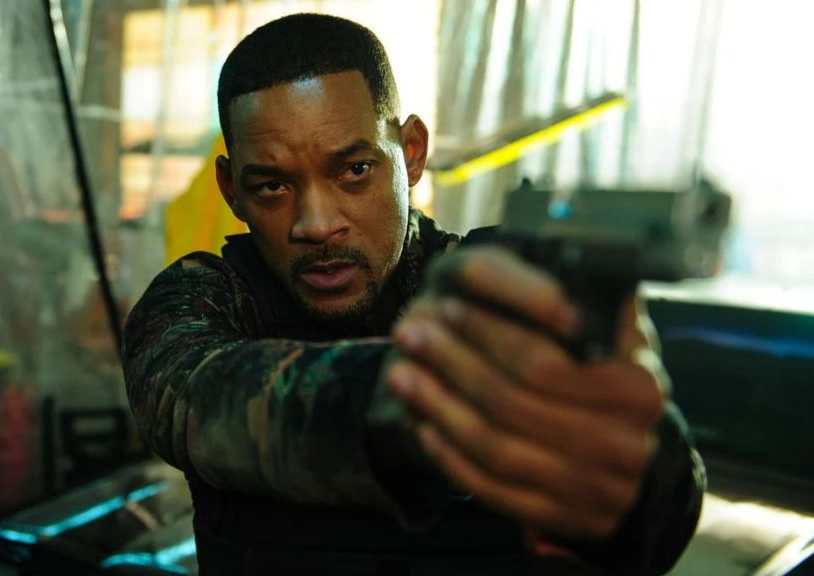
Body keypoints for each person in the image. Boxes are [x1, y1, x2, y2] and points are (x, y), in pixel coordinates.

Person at [122, 13, 704, 575]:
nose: (317, 224)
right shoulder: (198, 301)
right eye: (273, 186)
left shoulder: (506, 289)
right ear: (231, 189)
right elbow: (196, 400)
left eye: (354, 170)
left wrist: (640, 468)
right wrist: (435, 399)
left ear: (412, 152)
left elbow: (656, 522)